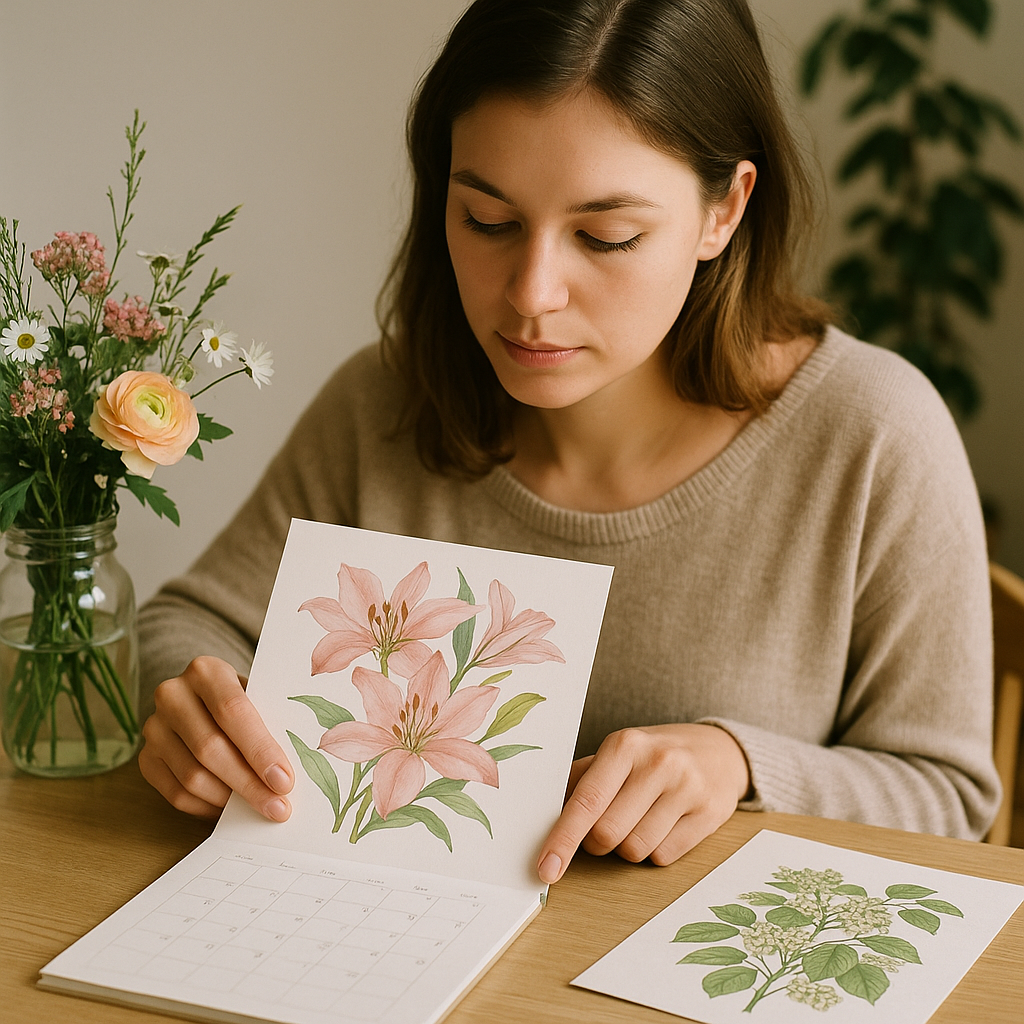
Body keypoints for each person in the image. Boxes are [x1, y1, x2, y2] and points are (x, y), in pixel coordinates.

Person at [137, 0, 1000, 883]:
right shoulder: (386, 403)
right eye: (487, 221)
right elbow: (190, 621)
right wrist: (200, 709)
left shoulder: (872, 435)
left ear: (725, 211)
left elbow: (950, 797)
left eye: (606, 236)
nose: (531, 293)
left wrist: (740, 765)